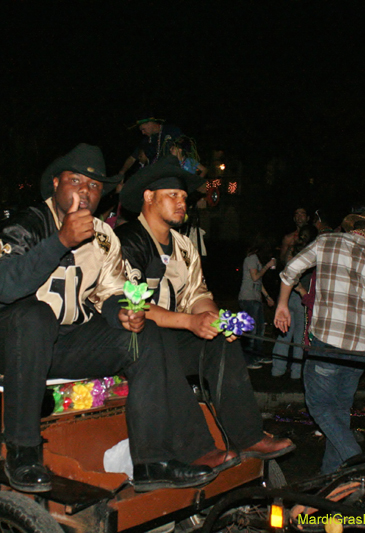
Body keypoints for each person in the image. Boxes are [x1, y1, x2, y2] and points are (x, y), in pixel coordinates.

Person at [0, 144, 215, 494]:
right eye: (75, 180)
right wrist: (60, 241)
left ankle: (151, 461)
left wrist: (121, 312)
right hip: (5, 339)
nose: (84, 191)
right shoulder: (26, 224)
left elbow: (110, 291)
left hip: (63, 341)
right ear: (55, 182)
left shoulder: (104, 236)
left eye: (93, 185)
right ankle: (23, 451)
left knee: (145, 334)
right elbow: (2, 285)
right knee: (36, 316)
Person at [116, 155, 295, 471]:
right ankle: (196, 448)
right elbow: (131, 302)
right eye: (173, 195)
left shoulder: (184, 246)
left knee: (220, 342)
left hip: (169, 340)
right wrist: (189, 321)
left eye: (184, 197)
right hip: (132, 345)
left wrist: (212, 319)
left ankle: (248, 435)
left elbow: (198, 294)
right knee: (157, 341)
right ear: (148, 196)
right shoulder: (127, 241)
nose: (182, 202)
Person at [275, 210, 365, 474]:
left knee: (320, 407)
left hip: (327, 344)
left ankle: (355, 458)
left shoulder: (328, 241)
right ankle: (333, 478)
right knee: (339, 411)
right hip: (359, 350)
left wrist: (281, 305)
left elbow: (290, 269)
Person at [273, 224, 318, 379]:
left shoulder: (292, 252)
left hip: (286, 297)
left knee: (283, 334)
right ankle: (296, 373)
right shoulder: (312, 254)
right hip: (301, 297)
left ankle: (277, 370)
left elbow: (284, 268)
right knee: (300, 336)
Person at [237, 236, 276, 366]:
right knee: (251, 330)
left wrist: (267, 297)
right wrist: (267, 266)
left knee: (260, 329)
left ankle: (257, 356)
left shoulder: (255, 259)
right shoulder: (251, 259)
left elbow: (258, 282)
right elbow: (255, 277)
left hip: (255, 298)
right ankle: (248, 360)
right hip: (248, 298)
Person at [117, 116, 182, 176]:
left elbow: (184, 147)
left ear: (150, 124)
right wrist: (121, 173)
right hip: (154, 175)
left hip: (172, 171)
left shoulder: (171, 130)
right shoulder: (146, 141)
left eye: (143, 129)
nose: (143, 133)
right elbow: (132, 158)